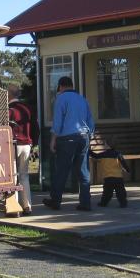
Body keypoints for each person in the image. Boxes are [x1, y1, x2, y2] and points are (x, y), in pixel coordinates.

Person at [44, 76, 94, 211]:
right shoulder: (82, 99)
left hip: (67, 139)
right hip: (84, 137)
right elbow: (90, 120)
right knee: (83, 171)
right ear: (72, 85)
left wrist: (53, 140)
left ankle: (55, 201)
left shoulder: (61, 99)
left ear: (60, 86)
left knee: (61, 170)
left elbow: (58, 122)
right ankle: (85, 202)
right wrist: (90, 135)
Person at [8, 84, 37, 216]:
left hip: (13, 145)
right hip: (26, 144)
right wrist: (33, 143)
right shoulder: (28, 108)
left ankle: (14, 207)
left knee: (12, 176)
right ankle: (27, 206)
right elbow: (35, 127)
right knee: (24, 175)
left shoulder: (9, 110)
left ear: (9, 94)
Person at [90, 141, 130, 207]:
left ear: (108, 146)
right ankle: (123, 203)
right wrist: (128, 170)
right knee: (121, 192)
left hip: (108, 177)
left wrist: (89, 151)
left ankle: (103, 203)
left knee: (107, 193)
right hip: (118, 177)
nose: (104, 145)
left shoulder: (104, 154)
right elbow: (124, 163)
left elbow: (95, 156)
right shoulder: (118, 154)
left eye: (105, 144)